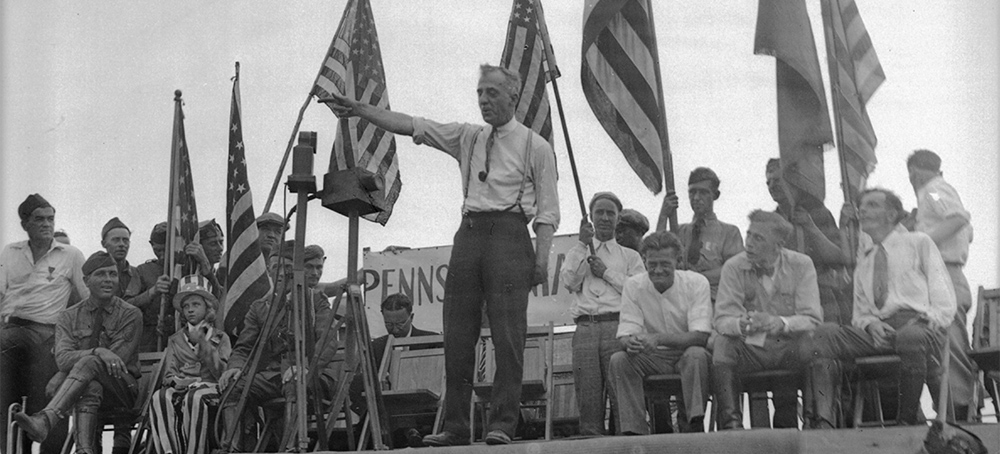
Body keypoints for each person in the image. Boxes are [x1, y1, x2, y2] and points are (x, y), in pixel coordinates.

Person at [323, 63, 559, 446]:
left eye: (492, 93)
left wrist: (543, 259)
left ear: (513, 97)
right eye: (480, 92)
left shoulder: (536, 146)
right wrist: (359, 109)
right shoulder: (467, 136)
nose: (484, 99)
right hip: (470, 233)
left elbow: (547, 211)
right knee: (458, 332)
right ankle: (455, 426)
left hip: (511, 234)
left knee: (508, 335)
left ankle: (503, 423)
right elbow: (411, 124)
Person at [803, 189, 954, 427]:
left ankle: (906, 423)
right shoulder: (865, 261)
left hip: (920, 327)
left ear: (892, 214)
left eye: (872, 205)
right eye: (862, 205)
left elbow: (943, 298)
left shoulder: (918, 242)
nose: (862, 210)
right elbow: (860, 314)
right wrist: (871, 324)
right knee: (825, 334)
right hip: (879, 331)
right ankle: (824, 423)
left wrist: (924, 321)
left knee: (909, 337)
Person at [14, 252, 142, 454]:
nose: (109, 280)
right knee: (90, 386)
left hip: (123, 389)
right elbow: (63, 358)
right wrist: (97, 350)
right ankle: (84, 450)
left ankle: (47, 420)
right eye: (101, 274)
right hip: (87, 387)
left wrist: (66, 373)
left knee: (92, 363)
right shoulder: (68, 316)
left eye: (113, 274)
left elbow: (117, 361)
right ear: (86, 281)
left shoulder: (131, 313)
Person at [217, 244, 340, 452]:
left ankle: (292, 448)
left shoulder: (315, 300)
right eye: (275, 267)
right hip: (273, 376)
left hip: (312, 375)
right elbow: (244, 347)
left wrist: (306, 367)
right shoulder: (260, 307)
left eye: (287, 268)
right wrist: (234, 367)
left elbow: (327, 341)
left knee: (295, 382)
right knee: (234, 387)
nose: (281, 273)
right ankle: (232, 449)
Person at [712, 210, 822, 430]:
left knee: (815, 342)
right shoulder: (733, 266)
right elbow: (722, 318)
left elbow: (812, 318)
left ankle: (813, 422)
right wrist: (739, 324)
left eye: (758, 238)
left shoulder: (801, 264)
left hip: (789, 348)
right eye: (749, 235)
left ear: (778, 245)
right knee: (722, 344)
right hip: (752, 348)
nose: (748, 244)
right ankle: (731, 425)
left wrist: (781, 322)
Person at [1, 194, 87, 454]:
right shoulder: (10, 252)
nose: (47, 224)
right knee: (6, 397)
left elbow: (88, 298)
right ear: (25, 223)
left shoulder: (70, 255)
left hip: (48, 333)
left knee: (47, 394)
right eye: (39, 219)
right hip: (11, 330)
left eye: (51, 219)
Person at [608, 231, 712, 435]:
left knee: (696, 355)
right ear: (644, 261)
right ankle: (633, 433)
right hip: (653, 358)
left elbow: (701, 337)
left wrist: (658, 339)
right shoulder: (634, 285)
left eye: (665, 264)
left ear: (678, 261)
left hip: (687, 355)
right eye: (652, 264)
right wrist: (630, 343)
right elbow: (625, 333)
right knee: (619, 359)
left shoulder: (697, 282)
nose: (658, 270)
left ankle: (693, 425)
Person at [559, 192, 644, 435]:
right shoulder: (579, 251)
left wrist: (607, 273)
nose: (605, 218)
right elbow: (569, 281)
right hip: (585, 328)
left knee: (622, 398)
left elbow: (638, 292)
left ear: (618, 219)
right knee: (588, 398)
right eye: (599, 212)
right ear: (591, 217)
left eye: (610, 213)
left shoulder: (630, 256)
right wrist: (581, 245)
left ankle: (627, 446)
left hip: (616, 326)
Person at [906, 149, 978, 421]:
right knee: (947, 345)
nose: (913, 179)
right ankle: (954, 408)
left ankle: (958, 410)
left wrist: (922, 241)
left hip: (945, 275)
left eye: (915, 172)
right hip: (946, 275)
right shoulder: (937, 193)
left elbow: (959, 218)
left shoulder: (933, 191)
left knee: (951, 346)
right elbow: (966, 232)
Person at [149, 275, 231, 454]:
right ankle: (170, 451)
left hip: (212, 387)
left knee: (195, 397)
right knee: (159, 397)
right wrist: (176, 381)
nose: (190, 310)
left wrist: (203, 344)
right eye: (186, 306)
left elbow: (223, 373)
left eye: (195, 304)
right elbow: (168, 373)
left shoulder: (220, 337)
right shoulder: (175, 340)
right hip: (183, 387)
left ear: (207, 308)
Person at [351, 293, 437, 448]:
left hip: (422, 404)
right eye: (389, 325)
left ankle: (408, 431)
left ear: (412, 317)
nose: (395, 330)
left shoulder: (431, 341)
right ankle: (409, 432)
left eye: (400, 324)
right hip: (388, 407)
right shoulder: (377, 346)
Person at [658, 167, 744, 300]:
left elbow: (734, 270)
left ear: (715, 195)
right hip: (680, 303)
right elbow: (657, 252)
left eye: (703, 192)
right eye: (692, 192)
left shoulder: (729, 233)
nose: (696, 198)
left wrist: (693, 279)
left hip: (713, 302)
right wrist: (663, 215)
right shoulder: (678, 232)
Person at [133, 222, 174, 352]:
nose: (161, 255)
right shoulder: (142, 271)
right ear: (151, 245)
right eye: (157, 250)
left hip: (180, 342)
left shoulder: (187, 269)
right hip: (150, 342)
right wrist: (152, 292)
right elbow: (127, 304)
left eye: (165, 250)